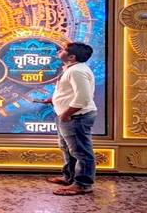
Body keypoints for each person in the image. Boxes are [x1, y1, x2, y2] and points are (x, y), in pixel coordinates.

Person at [35, 42, 97, 195]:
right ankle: (70, 177)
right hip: (69, 116)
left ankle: (83, 184)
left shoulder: (76, 71)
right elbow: (71, 92)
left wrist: (66, 114)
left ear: (72, 57)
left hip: (76, 117)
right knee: (68, 149)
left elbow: (83, 98)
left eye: (63, 50)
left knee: (81, 152)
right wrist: (54, 100)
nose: (59, 51)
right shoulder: (72, 69)